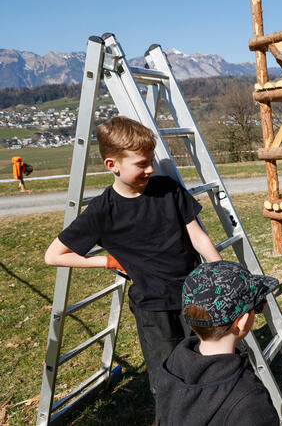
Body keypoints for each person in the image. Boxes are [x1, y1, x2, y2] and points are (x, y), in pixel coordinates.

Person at [44, 116, 221, 400]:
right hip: (153, 307)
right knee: (168, 378)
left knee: (208, 365)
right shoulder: (102, 211)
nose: (151, 168)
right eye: (141, 164)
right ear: (112, 165)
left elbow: (198, 237)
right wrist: (106, 261)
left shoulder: (168, 189)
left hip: (196, 296)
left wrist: (220, 271)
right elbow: (53, 255)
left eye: (151, 161)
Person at [156, 261, 282, 426]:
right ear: (242, 321)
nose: (259, 310)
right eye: (257, 307)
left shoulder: (170, 368)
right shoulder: (248, 400)